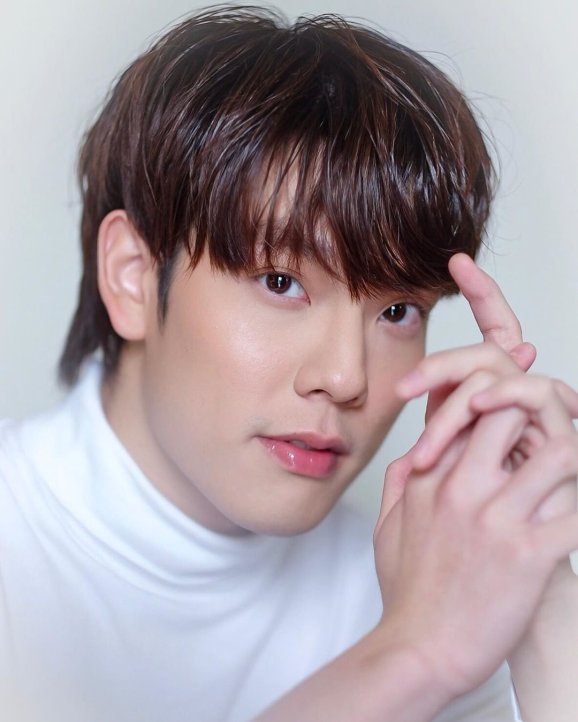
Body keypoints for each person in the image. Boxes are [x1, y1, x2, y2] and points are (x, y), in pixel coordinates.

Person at [0, 6, 576, 722]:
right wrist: (413, 658)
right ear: (133, 277)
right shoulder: (425, 632)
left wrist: (544, 597)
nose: (347, 377)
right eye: (281, 283)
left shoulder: (419, 594)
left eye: (399, 311)